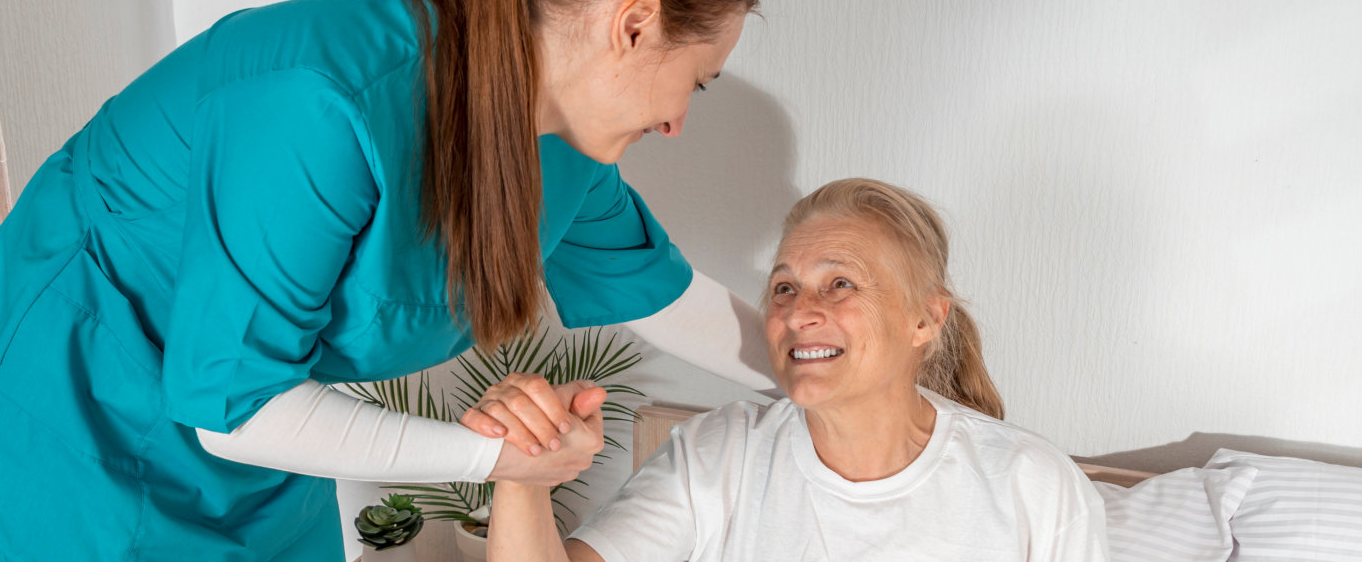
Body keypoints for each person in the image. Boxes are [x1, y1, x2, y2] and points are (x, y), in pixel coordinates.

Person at [0, 0, 778, 558]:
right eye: (694, 81)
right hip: (81, 402)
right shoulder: (323, 104)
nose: (677, 123)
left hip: (256, 425)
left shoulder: (566, 147)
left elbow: (662, 294)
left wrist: (826, 366)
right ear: (633, 25)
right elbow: (232, 411)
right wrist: (496, 461)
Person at [474, 179, 1110, 561]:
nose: (801, 312)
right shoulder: (719, 454)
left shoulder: (1032, 485)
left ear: (926, 319)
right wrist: (525, 471)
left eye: (840, 284)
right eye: (784, 287)